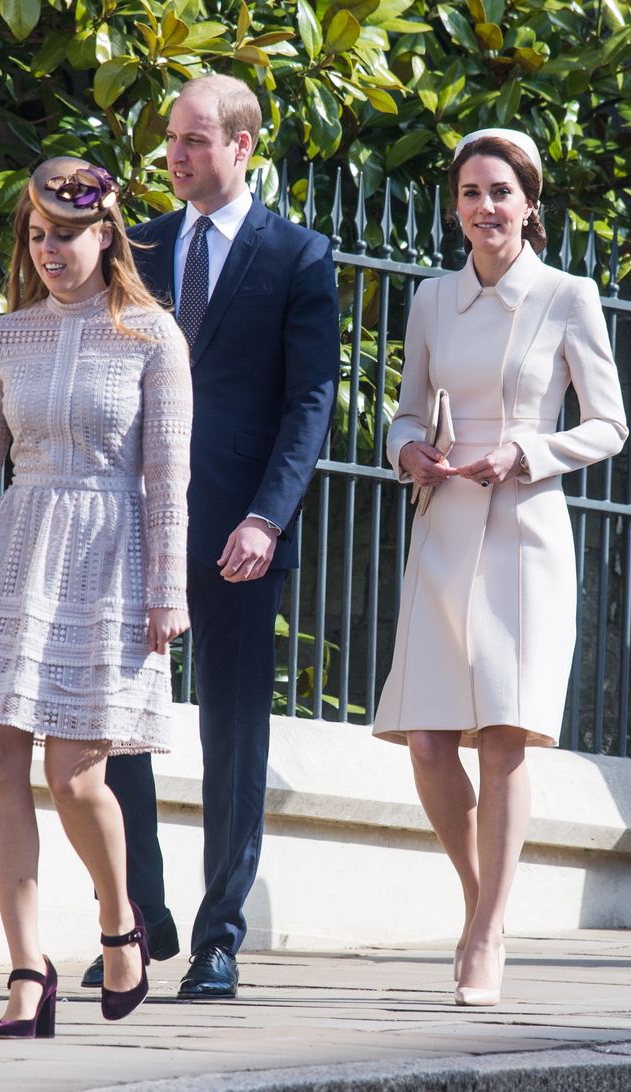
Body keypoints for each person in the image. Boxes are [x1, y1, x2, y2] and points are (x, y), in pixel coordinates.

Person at [0, 157, 192, 1037]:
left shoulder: (154, 336)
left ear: (106, 233)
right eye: (36, 236)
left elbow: (168, 478)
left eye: (65, 234)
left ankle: (120, 924)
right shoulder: (5, 337)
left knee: (75, 778)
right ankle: (26, 970)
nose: (49, 251)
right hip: (15, 551)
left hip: (111, 558)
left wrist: (169, 589)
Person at [83, 74, 340, 999]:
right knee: (119, 727)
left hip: (240, 529)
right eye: (171, 139)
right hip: (130, 527)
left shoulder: (299, 255)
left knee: (234, 730)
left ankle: (217, 936)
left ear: (242, 146)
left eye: (194, 140)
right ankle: (140, 921)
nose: (176, 156)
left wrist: (268, 517)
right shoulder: (137, 246)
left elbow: (311, 401)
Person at [373, 128, 628, 1006]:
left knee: (505, 736)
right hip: (445, 523)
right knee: (430, 740)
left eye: (501, 193)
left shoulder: (569, 295)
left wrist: (523, 453)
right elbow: (404, 414)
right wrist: (411, 453)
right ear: (458, 206)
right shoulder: (433, 300)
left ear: (530, 204)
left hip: (525, 530)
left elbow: (609, 424)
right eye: (472, 193)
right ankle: (485, 901)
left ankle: (485, 934)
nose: (486, 208)